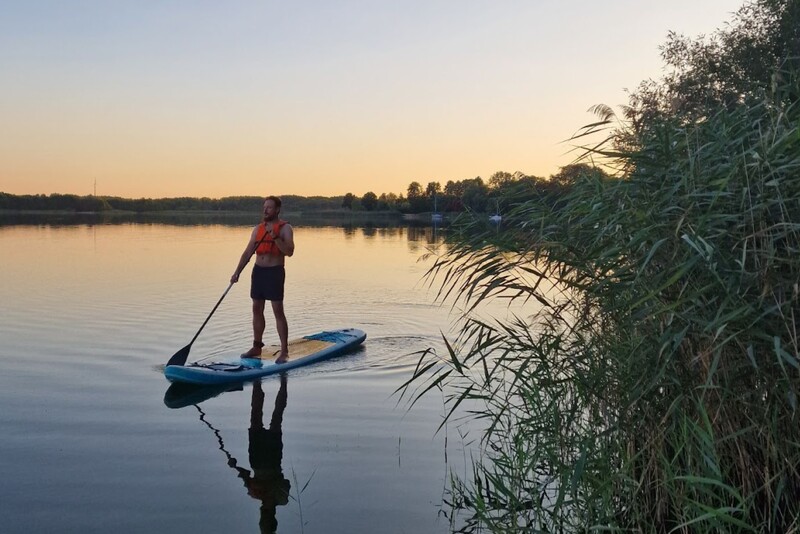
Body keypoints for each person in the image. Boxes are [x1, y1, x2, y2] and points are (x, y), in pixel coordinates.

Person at [231, 196, 295, 363]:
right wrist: (237, 272)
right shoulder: (257, 229)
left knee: (277, 310)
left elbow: (289, 251)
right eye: (264, 207)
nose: (265, 210)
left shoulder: (285, 228)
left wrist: (275, 237)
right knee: (256, 308)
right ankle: (256, 347)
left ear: (277, 210)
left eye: (269, 207)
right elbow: (247, 253)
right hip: (258, 271)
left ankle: (284, 351)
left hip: (275, 272)